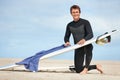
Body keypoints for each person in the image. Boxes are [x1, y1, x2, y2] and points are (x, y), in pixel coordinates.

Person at [64, 5, 103, 74]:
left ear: (79, 12)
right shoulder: (69, 25)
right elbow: (66, 36)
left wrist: (84, 40)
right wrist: (67, 41)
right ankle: (96, 66)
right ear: (71, 13)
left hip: (86, 44)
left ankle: (86, 69)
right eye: (73, 12)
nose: (75, 14)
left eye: (77, 12)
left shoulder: (85, 22)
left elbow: (91, 34)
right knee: (78, 70)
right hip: (78, 47)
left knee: (88, 48)